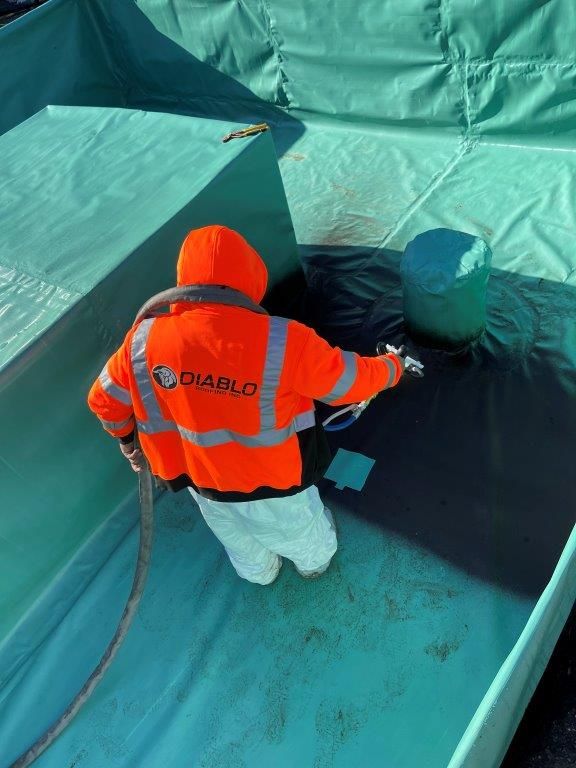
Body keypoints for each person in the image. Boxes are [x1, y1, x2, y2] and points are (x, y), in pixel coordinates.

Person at [88, 225, 404, 585]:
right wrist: (392, 367)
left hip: (199, 479)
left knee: (232, 534)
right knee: (298, 528)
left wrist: (129, 444)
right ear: (250, 279)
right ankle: (313, 564)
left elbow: (103, 401)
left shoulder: (142, 340)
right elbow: (350, 384)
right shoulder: (284, 340)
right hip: (273, 479)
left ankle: (261, 574)